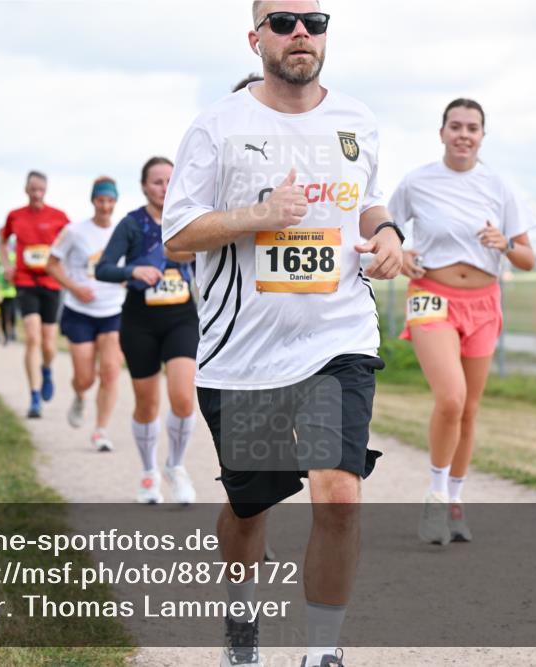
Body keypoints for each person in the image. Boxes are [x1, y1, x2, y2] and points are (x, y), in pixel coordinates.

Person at [163, 3, 403, 665]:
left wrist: (386, 233)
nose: (302, 32)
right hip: (244, 356)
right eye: (284, 21)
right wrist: (261, 215)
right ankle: (241, 619)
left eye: (315, 21)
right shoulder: (218, 125)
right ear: (256, 37)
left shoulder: (357, 119)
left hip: (338, 337)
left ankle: (322, 651)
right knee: (249, 509)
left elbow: (370, 199)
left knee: (340, 491)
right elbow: (179, 236)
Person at [387, 98, 536, 545]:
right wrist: (402, 255)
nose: (463, 134)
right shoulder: (417, 182)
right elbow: (383, 233)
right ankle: (433, 496)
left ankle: (455, 499)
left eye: (472, 128)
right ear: (442, 133)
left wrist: (505, 241)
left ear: (482, 136)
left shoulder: (499, 186)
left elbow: (527, 258)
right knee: (450, 398)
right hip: (432, 296)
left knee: (469, 409)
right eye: (456, 126)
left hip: (484, 302)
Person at [96, 158, 199, 504]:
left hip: (182, 317)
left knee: (184, 398)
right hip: (140, 320)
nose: (164, 188)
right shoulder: (131, 224)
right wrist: (134, 270)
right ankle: (148, 473)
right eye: (157, 182)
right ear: (143, 186)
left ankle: (176, 466)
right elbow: (103, 269)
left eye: (170, 180)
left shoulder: (190, 222)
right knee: (147, 402)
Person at [48, 176, 126, 450]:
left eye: (110, 201)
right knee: (85, 377)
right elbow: (52, 264)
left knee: (110, 371)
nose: (105, 206)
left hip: (112, 311)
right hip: (79, 311)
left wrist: (129, 277)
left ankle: (100, 431)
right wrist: (75, 288)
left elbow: (130, 267)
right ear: (93, 201)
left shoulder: (122, 231)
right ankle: (80, 395)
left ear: (116, 202)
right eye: (100, 200)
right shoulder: (74, 232)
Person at [0, 171, 70, 418]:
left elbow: (72, 243)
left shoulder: (59, 217)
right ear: (26, 189)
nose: (37, 193)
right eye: (33, 189)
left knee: (49, 343)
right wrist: (6, 265)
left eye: (41, 189)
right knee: (32, 338)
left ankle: (47, 369)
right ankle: (34, 395)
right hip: (25, 280)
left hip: (51, 283)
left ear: (46, 189)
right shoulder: (15, 216)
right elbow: (2, 239)